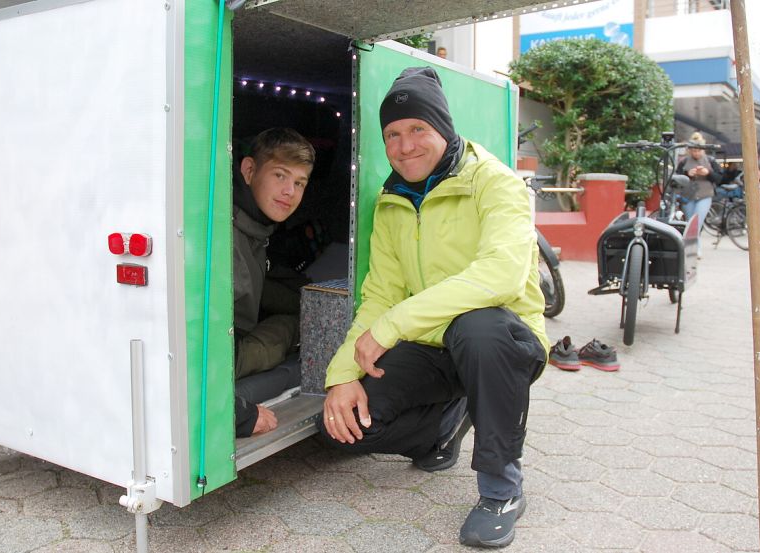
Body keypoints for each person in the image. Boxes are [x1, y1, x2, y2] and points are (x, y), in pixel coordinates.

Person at [316, 66, 548, 548]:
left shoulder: (495, 182)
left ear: (443, 129)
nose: (405, 146)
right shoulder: (392, 200)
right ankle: (443, 429)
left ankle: (501, 488)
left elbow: (501, 275)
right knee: (340, 427)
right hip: (432, 345)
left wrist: (394, 326)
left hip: (502, 341)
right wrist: (340, 377)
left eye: (418, 130)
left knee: (479, 329)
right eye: (392, 135)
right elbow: (380, 293)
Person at [232, 128, 315, 437]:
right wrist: (239, 415)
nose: (289, 192)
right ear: (249, 170)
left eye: (299, 183)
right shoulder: (224, 236)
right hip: (229, 349)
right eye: (280, 175)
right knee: (293, 321)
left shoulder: (253, 221)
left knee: (305, 301)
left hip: (242, 317)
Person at [675, 132, 721, 257]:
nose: (696, 153)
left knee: (698, 221)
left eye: (698, 151)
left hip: (705, 195)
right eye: (694, 151)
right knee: (690, 222)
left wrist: (708, 173)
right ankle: (691, 247)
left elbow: (719, 178)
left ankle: (696, 247)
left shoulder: (710, 161)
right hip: (688, 195)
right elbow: (676, 178)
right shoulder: (684, 162)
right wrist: (687, 174)